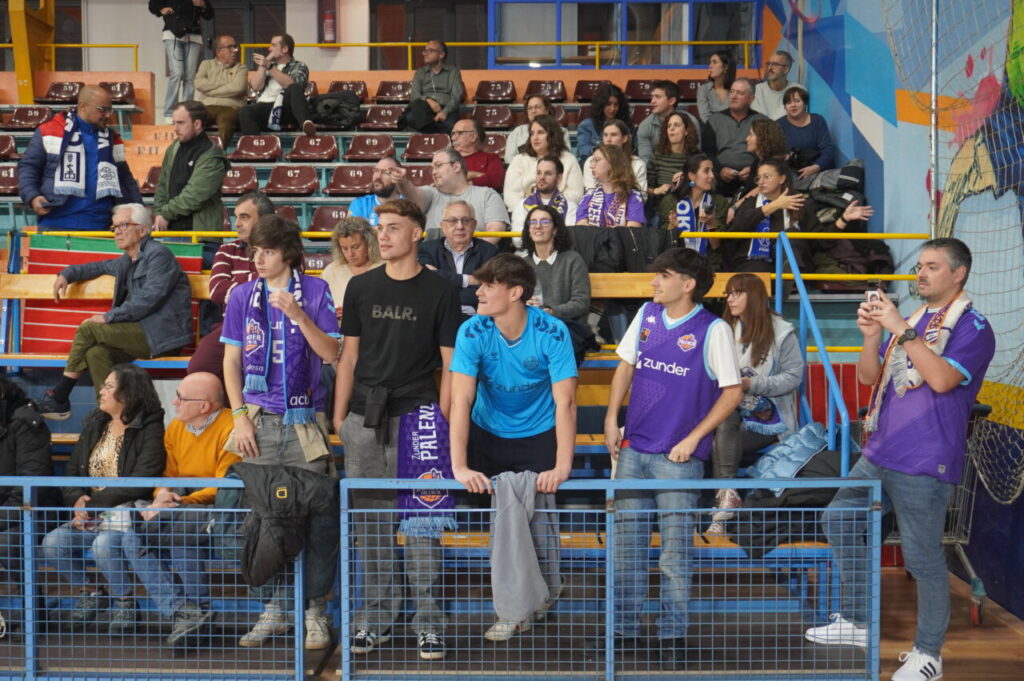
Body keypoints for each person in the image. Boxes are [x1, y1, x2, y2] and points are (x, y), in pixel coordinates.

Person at [806, 239, 995, 681]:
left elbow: (943, 379)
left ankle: (929, 654)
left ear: (958, 273)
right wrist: (874, 337)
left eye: (932, 266)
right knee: (838, 519)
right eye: (919, 266)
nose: (921, 274)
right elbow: (870, 378)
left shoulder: (974, 326)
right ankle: (857, 621)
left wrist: (900, 331)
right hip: (880, 450)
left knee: (923, 559)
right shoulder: (913, 318)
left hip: (925, 459)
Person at [593, 248, 742, 659]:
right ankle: (622, 630)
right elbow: (625, 366)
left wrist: (694, 438)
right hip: (633, 449)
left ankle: (672, 635)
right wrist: (610, 419)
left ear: (688, 284)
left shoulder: (714, 331)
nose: (654, 281)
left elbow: (732, 392)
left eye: (664, 275)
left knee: (674, 553)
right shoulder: (647, 315)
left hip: (677, 459)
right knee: (626, 550)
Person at [334, 198, 461, 661]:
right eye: (379, 228)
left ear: (416, 235)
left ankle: (428, 622)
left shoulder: (442, 290)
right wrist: (339, 416)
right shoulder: (361, 287)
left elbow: (450, 365)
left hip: (421, 417)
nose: (382, 236)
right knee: (371, 526)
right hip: (364, 417)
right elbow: (348, 356)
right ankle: (376, 618)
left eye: (392, 228)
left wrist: (443, 420)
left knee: (423, 524)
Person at [220, 214, 341, 650]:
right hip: (256, 419)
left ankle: (314, 613)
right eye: (255, 251)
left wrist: (299, 315)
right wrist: (237, 414)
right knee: (259, 520)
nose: (259, 259)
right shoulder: (240, 295)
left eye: (267, 251)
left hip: (305, 421)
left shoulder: (315, 291)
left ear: (288, 253)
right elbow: (230, 362)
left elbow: (331, 354)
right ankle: (272, 610)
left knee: (319, 519)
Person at [449, 253, 577, 641]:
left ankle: (539, 599)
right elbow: (460, 400)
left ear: (516, 292)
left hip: (539, 433)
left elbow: (566, 402)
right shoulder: (472, 331)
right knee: (503, 527)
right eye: (480, 284)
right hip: (488, 433)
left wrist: (562, 465)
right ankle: (513, 607)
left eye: (489, 285)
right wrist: (459, 466)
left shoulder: (552, 331)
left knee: (539, 527)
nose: (480, 291)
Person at [39, 364, 166, 631]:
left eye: (109, 386)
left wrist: (92, 507)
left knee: (103, 544)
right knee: (53, 542)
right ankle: (93, 592)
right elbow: (73, 470)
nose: (101, 391)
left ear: (129, 393)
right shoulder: (96, 423)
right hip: (90, 513)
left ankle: (125, 603)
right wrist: (77, 501)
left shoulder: (150, 427)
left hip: (127, 513)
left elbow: (140, 481)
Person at [36, 203, 192, 420]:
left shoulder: (159, 256)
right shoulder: (126, 260)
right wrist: (67, 274)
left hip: (162, 336)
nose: (117, 231)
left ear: (143, 230)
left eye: (124, 225)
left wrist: (110, 316)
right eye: (115, 227)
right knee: (96, 353)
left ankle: (60, 396)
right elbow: (95, 267)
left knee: (89, 329)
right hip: (138, 335)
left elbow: (148, 300)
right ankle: (114, 416)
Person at [123, 371, 240, 646]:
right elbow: (168, 475)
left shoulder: (232, 427)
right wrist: (162, 495)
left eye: (181, 398)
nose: (174, 403)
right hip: (182, 503)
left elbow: (225, 487)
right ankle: (183, 611)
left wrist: (179, 502)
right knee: (133, 536)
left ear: (205, 406)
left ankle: (198, 609)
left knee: (180, 533)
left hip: (219, 508)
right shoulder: (176, 427)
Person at [707, 273, 803, 534]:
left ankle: (724, 501)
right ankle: (726, 497)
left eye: (737, 293)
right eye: (728, 293)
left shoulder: (782, 332)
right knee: (724, 422)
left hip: (770, 418)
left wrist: (753, 384)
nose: (730, 299)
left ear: (755, 296)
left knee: (721, 432)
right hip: (730, 411)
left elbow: (793, 378)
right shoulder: (723, 329)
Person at [18, 85, 142, 231]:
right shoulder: (48, 131)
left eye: (110, 109)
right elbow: (28, 167)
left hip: (101, 225)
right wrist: (32, 196)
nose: (108, 115)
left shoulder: (112, 139)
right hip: (55, 223)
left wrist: (140, 212)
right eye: (102, 109)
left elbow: (125, 179)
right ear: (83, 106)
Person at [187, 191, 274, 379]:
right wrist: (258, 280)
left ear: (265, 220)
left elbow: (282, 287)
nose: (237, 224)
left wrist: (236, 286)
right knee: (199, 367)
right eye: (236, 217)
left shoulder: (286, 249)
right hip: (231, 327)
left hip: (274, 327)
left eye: (244, 217)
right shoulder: (227, 250)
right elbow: (217, 291)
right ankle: (232, 407)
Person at [728, 158, 871, 272]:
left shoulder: (799, 203)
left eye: (767, 177)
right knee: (757, 268)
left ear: (782, 179)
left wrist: (844, 218)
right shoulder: (750, 203)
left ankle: (788, 281)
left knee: (790, 236)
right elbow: (737, 227)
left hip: (794, 267)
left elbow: (820, 241)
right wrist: (775, 205)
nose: (761, 182)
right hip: (754, 264)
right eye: (758, 178)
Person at [0, 376, 55, 634]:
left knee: (9, 543)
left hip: (33, 510)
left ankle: (33, 616)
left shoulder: (25, 421)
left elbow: (32, 483)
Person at [152, 100, 230, 240]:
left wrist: (165, 213)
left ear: (197, 124)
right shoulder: (173, 147)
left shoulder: (212, 156)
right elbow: (162, 184)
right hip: (171, 232)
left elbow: (193, 196)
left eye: (180, 123)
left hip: (201, 237)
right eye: (174, 123)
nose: (175, 128)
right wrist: (158, 212)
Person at [397, 147, 509, 239]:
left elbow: (494, 234)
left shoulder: (487, 195)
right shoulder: (430, 193)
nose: (434, 172)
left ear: (456, 166)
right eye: (432, 169)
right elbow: (412, 193)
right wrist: (402, 181)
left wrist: (471, 259)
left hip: (476, 261)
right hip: (433, 263)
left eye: (439, 165)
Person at [418, 201, 498, 317]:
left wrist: (440, 277)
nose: (460, 226)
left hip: (475, 318)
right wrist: (467, 280)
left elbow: (491, 289)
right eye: (452, 221)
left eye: (465, 221)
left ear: (474, 225)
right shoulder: (426, 249)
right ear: (443, 226)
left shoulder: (489, 251)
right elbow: (426, 283)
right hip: (436, 316)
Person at [519, 205, 591, 326]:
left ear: (555, 229)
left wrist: (552, 311)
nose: (538, 226)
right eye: (533, 222)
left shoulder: (573, 260)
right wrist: (523, 304)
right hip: (531, 326)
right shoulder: (522, 264)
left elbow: (581, 303)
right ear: (529, 230)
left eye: (545, 221)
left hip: (566, 327)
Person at [503, 115, 584, 213]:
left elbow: (575, 195)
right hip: (525, 214)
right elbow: (510, 195)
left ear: (552, 135)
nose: (535, 138)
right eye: (532, 133)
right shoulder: (519, 160)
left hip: (560, 215)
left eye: (540, 132)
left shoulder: (569, 160)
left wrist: (550, 212)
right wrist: (529, 212)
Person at [150, 0, 214, 122]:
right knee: (177, 73)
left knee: (190, 76)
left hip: (194, 35)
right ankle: (169, 112)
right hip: (171, 33)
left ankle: (187, 112)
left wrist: (204, 5)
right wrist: (161, 10)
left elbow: (209, 14)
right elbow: (153, 4)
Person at [703, 78, 768, 195]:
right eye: (732, 92)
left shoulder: (761, 121)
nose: (733, 96)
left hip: (753, 176)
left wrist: (753, 169)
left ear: (751, 99)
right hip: (719, 176)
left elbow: (767, 152)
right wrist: (720, 170)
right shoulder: (714, 120)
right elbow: (707, 152)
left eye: (740, 93)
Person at [238, 33, 312, 135]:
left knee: (294, 87)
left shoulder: (299, 66)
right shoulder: (269, 65)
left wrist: (269, 66)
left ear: (285, 49)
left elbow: (292, 85)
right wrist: (265, 65)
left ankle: (306, 124)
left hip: (285, 107)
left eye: (273, 45)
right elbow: (255, 86)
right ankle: (254, 147)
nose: (269, 48)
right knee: (245, 111)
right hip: (264, 105)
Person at [668, 153, 730, 269]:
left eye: (712, 171)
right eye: (706, 171)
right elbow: (665, 243)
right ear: (691, 176)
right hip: (676, 263)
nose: (712, 176)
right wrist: (674, 228)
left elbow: (716, 246)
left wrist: (711, 224)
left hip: (708, 265)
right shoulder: (671, 202)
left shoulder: (719, 202)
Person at [320, 216, 384, 320]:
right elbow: (320, 309)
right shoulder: (331, 272)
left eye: (356, 247)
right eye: (344, 248)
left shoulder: (386, 267)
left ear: (369, 243)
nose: (350, 254)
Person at [646, 111, 700, 227]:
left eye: (677, 125)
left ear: (686, 131)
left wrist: (687, 179)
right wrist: (657, 190)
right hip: (662, 212)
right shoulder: (657, 156)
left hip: (690, 208)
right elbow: (643, 188)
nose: (671, 129)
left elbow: (705, 185)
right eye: (669, 126)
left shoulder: (696, 157)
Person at [194, 34, 248, 147]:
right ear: (219, 52)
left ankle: (220, 153)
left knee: (226, 120)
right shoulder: (206, 64)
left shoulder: (241, 68)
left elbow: (238, 87)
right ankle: (194, 151)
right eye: (230, 47)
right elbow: (199, 83)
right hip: (207, 107)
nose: (235, 51)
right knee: (192, 119)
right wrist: (226, 84)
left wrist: (210, 91)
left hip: (230, 108)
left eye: (235, 47)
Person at [776, 86, 836, 188]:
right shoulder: (778, 125)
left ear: (805, 104)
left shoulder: (818, 121)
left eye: (797, 101)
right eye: (789, 103)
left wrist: (816, 167)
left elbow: (828, 149)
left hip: (818, 169)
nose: (793, 105)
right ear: (785, 107)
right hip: (791, 172)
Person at [509, 155, 578, 241]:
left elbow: (569, 239)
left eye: (548, 173)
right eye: (539, 173)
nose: (541, 177)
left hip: (560, 253)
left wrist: (536, 235)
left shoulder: (570, 207)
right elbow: (517, 241)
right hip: (526, 253)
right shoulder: (522, 205)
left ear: (559, 178)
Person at [575, 144, 645, 228]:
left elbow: (633, 232)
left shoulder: (633, 196)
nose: (591, 166)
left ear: (613, 164)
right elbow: (581, 228)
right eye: (592, 161)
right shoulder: (588, 196)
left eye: (597, 160)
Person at [404, 40, 465, 134]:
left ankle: (435, 137)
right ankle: (434, 135)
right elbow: (414, 95)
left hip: (446, 109)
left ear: (441, 54)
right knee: (410, 117)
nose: (425, 54)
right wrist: (429, 100)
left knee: (451, 124)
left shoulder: (453, 72)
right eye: (425, 50)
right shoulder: (420, 73)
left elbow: (456, 96)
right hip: (425, 110)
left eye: (430, 50)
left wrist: (444, 112)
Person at [636, 80, 701, 163]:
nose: (652, 101)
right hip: (657, 172)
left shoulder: (691, 121)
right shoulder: (645, 125)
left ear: (671, 101)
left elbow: (696, 156)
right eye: (652, 97)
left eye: (658, 97)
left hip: (686, 170)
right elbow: (645, 160)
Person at [583, 119, 647, 194]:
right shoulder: (591, 161)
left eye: (613, 135)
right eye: (605, 135)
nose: (608, 140)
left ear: (624, 138)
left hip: (627, 204)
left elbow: (642, 195)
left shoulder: (637, 164)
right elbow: (590, 193)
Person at [575, 83, 631, 163]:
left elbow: (631, 150)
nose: (612, 108)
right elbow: (582, 150)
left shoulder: (626, 125)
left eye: (616, 105)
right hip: (594, 163)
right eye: (608, 104)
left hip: (620, 163)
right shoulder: (587, 125)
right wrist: (601, 150)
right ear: (600, 105)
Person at [504, 94, 567, 164]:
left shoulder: (561, 131)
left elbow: (564, 156)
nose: (533, 111)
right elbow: (509, 158)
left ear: (546, 110)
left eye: (537, 107)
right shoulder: (517, 132)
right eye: (530, 108)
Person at [450, 117, 504, 192]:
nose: (453, 138)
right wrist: (477, 175)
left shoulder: (491, 158)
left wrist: (469, 179)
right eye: (453, 133)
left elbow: (495, 181)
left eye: (459, 133)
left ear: (473, 136)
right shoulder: (448, 159)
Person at [348, 156, 403, 226]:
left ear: (398, 177)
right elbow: (352, 234)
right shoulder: (360, 204)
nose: (378, 176)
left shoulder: (409, 205)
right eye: (376, 171)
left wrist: (368, 228)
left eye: (386, 172)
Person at [696, 50, 737, 122]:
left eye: (714, 62)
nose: (710, 66)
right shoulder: (704, 90)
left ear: (725, 67)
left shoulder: (736, 89)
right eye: (710, 62)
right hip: (711, 131)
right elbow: (705, 117)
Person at [753, 50, 794, 121]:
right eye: (768, 64)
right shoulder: (758, 90)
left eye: (775, 64)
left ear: (786, 69)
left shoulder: (796, 90)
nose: (770, 68)